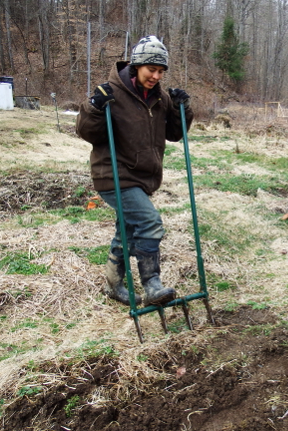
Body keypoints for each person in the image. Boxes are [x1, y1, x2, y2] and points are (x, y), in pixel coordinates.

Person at [76, 35, 193, 306]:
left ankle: (113, 285)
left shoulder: (160, 98)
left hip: (142, 178)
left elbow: (176, 134)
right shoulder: (110, 93)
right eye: (151, 69)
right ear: (136, 66)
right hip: (114, 175)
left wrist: (181, 109)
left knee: (127, 232)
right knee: (150, 223)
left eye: (161, 71)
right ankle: (152, 284)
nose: (156, 76)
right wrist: (94, 108)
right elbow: (86, 132)